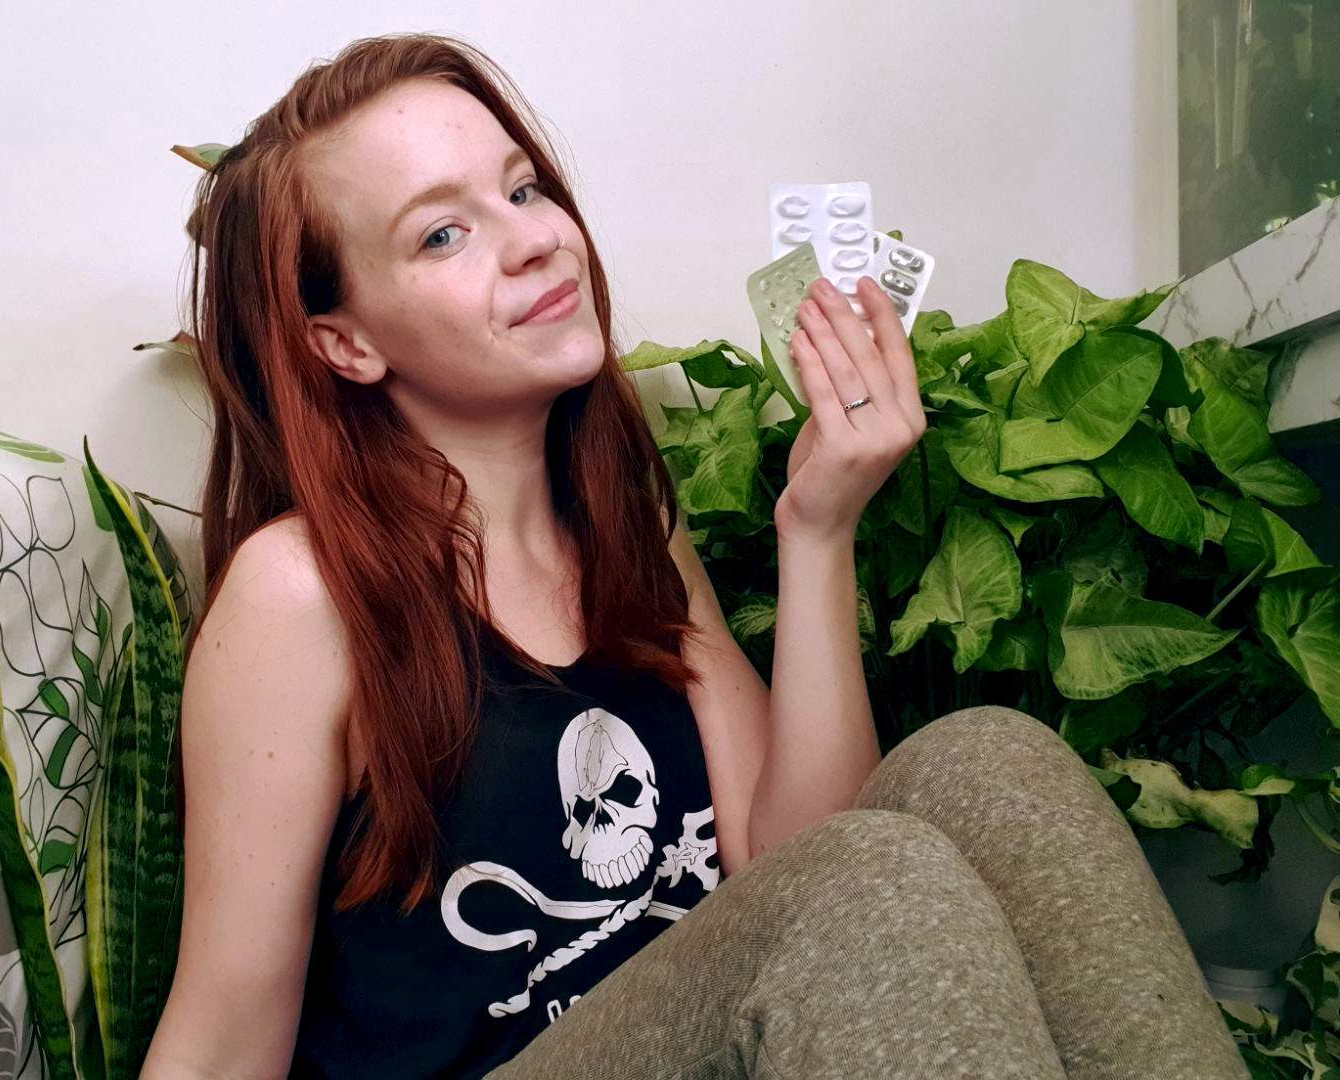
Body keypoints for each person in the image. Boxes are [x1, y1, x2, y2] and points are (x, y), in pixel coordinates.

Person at [138, 31, 1248, 1080]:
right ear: (345, 341)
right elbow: (224, 1037)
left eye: (523, 190)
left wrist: (816, 530)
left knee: (989, 762)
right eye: (444, 232)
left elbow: (796, 858)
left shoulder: (622, 517)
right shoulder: (300, 596)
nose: (536, 236)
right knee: (862, 880)